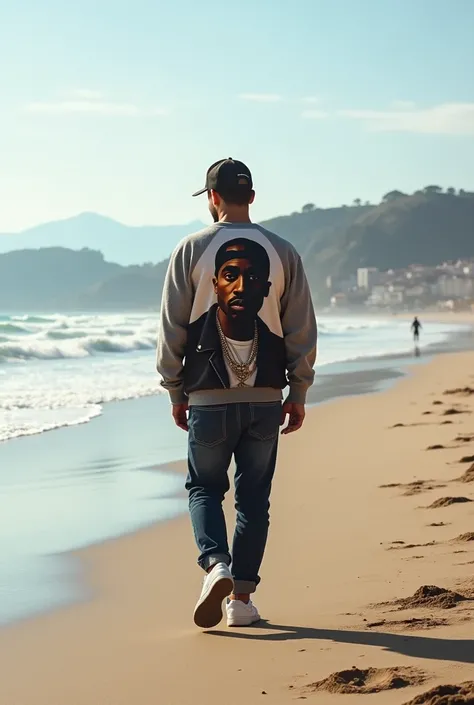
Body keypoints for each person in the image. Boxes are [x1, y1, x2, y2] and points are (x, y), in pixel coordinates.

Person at [156, 158, 317, 629]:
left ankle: (216, 565)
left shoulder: (190, 249)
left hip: (207, 400)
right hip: (267, 399)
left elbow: (171, 326)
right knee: (254, 500)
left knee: (204, 488)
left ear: (212, 198)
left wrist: (173, 388)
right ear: (251, 195)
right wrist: (300, 389)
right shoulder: (284, 249)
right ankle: (242, 602)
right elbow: (301, 326)